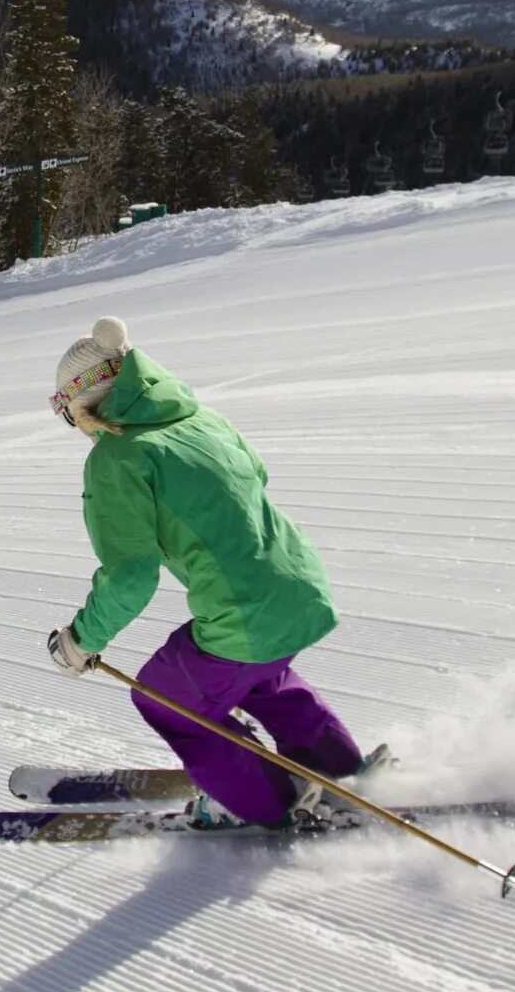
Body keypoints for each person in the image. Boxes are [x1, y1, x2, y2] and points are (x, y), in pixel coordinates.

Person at [42, 315, 378, 829]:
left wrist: (81, 640)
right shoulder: (202, 420)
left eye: (67, 413)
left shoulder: (119, 457)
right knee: (261, 676)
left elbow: (132, 576)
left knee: (167, 698)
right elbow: (255, 477)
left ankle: (259, 801)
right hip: (301, 586)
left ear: (86, 404)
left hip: (247, 612)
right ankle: (338, 769)